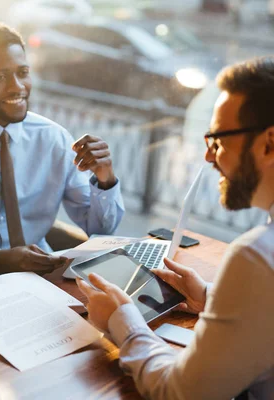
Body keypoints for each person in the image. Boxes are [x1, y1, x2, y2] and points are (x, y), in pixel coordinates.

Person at [78, 57, 274, 399]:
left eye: (218, 140)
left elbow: (179, 393)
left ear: (269, 143)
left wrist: (122, 320)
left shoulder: (256, 257)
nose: (210, 158)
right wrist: (212, 297)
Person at [0, 22, 124, 282]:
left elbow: (101, 229)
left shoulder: (53, 138)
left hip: (47, 277)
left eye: (23, 72)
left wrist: (105, 179)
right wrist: (0, 260)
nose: (17, 87)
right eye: (0, 77)